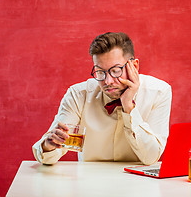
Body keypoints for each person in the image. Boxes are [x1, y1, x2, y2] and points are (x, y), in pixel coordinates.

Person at [32, 32, 172, 165]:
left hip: (139, 184)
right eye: (100, 72)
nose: (108, 81)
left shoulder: (159, 92)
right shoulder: (78, 94)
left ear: (134, 66)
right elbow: (46, 156)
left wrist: (128, 106)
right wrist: (49, 145)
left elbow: (151, 157)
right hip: (88, 184)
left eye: (116, 71)